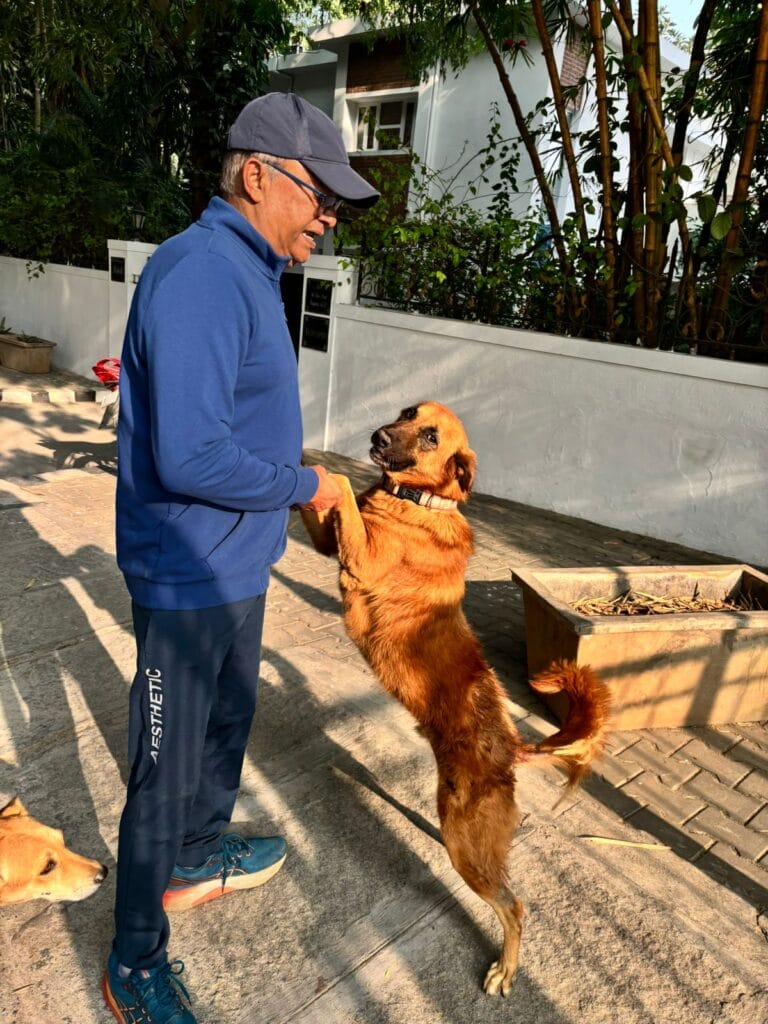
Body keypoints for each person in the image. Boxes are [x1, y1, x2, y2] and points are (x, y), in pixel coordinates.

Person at [102, 92, 380, 1024]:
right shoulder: (201, 277)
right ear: (256, 175)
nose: (329, 219)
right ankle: (134, 960)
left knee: (228, 720)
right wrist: (307, 486)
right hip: (185, 570)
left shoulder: (253, 269)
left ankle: (195, 853)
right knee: (164, 762)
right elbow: (188, 452)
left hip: (235, 563)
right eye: (319, 196)